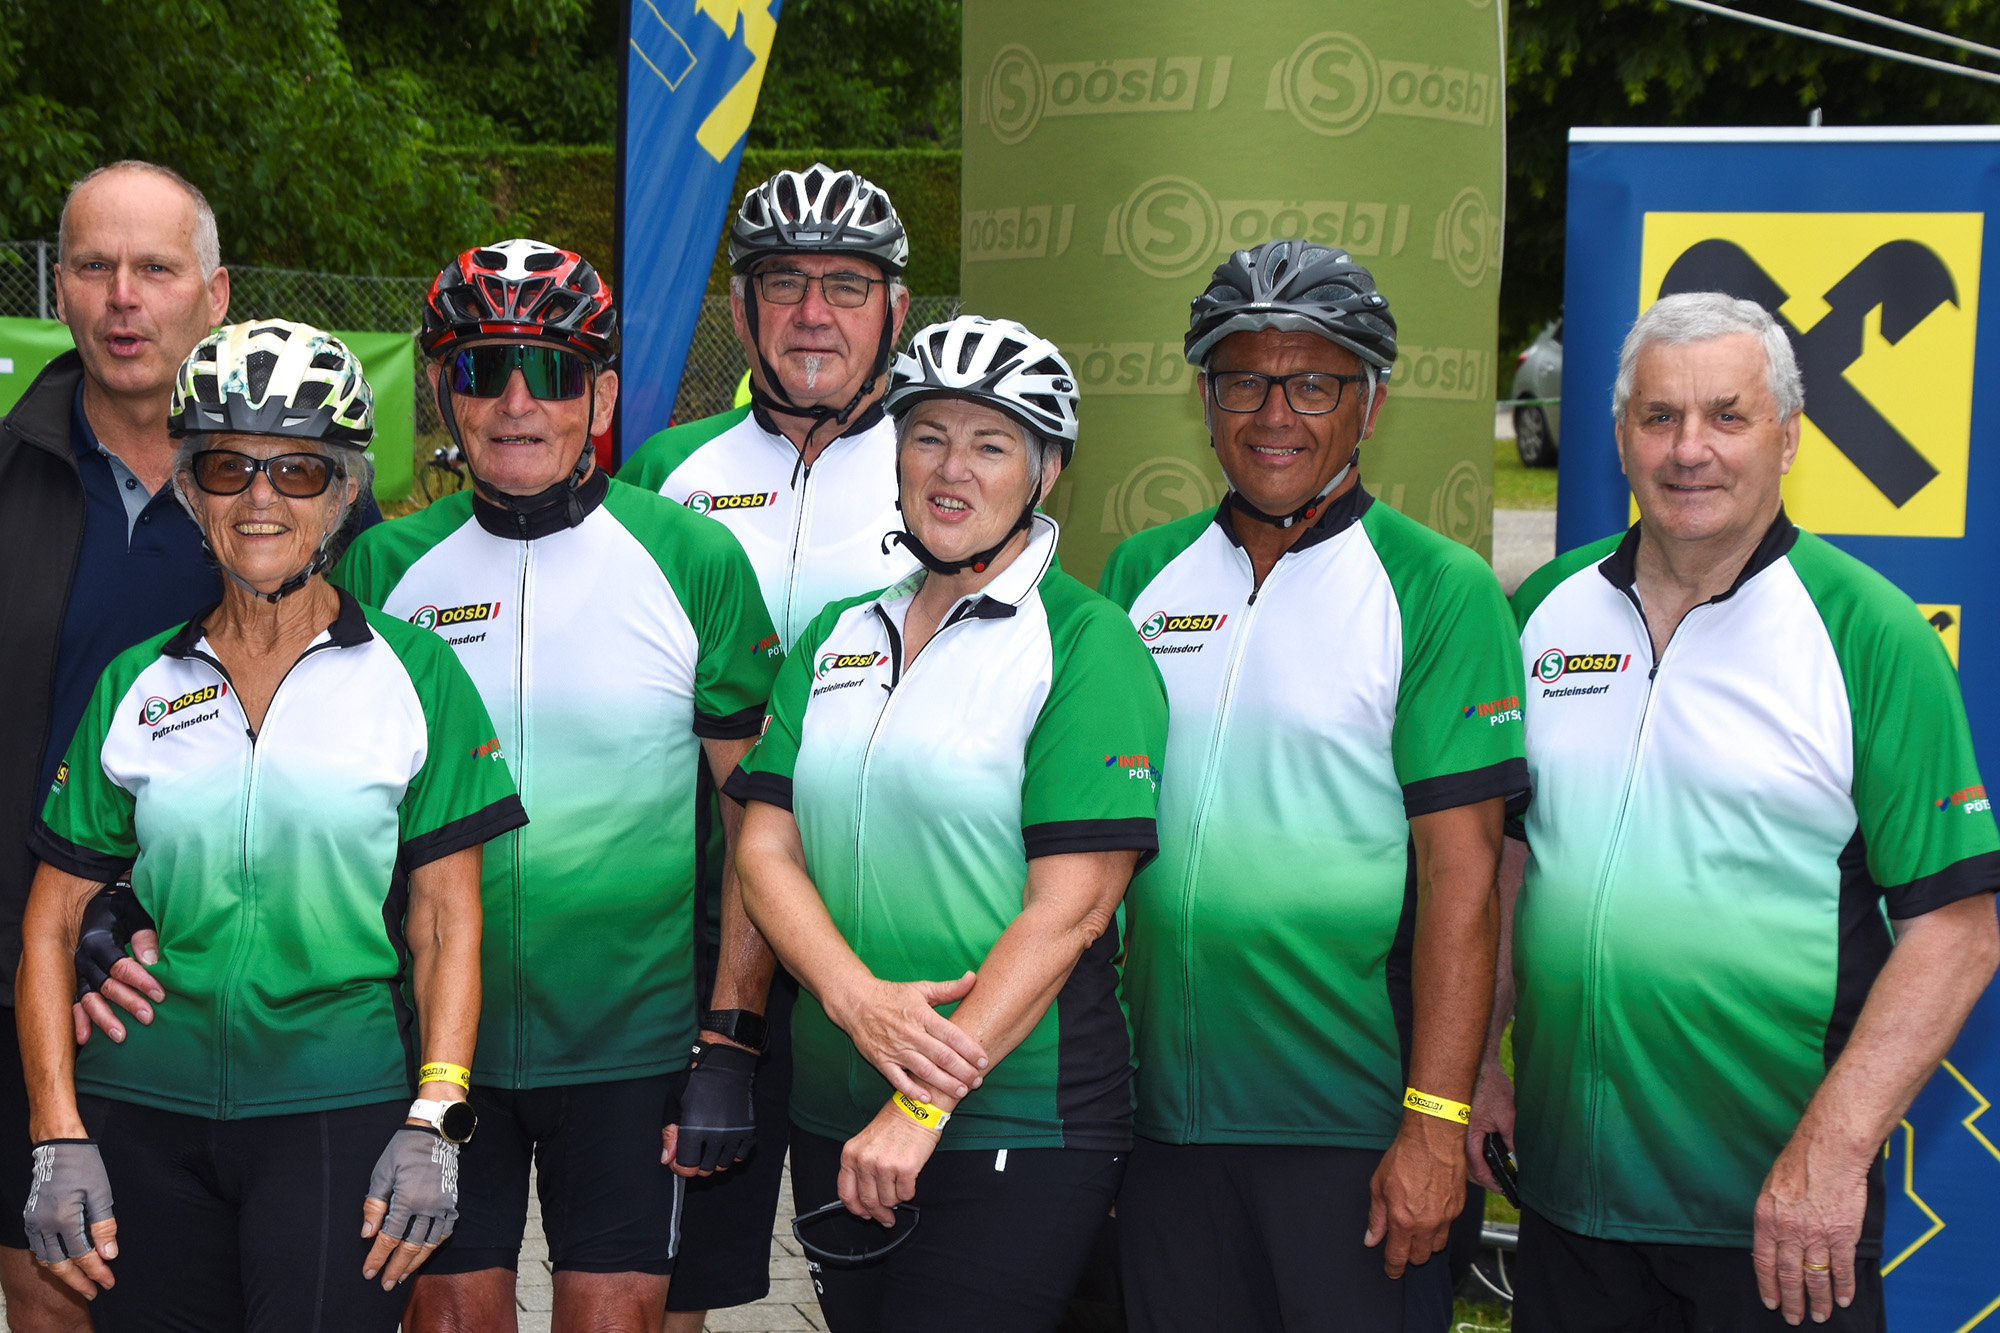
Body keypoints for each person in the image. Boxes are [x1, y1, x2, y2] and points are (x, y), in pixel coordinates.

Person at [1474, 291, 2000, 1331]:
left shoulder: (1868, 634)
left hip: (1773, 1219)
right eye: (1659, 416)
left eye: (1727, 415)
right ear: (1619, 436)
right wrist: (1474, 1061)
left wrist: (1830, 1154)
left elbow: (1957, 930)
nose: (1689, 449)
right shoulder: (1545, 610)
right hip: (1570, 1208)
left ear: (1787, 437)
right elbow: (1507, 863)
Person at [18, 321, 520, 1330]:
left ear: (342, 492)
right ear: (191, 490)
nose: (259, 498)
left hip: (332, 1107)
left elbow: (446, 923)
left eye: (297, 470)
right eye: (227, 467)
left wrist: (436, 1116)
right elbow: (51, 924)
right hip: (140, 1107)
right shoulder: (136, 680)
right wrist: (55, 1132)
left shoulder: (417, 675)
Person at [335, 239, 781, 1333]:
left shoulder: (694, 560)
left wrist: (731, 1038)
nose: (518, 402)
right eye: (484, 368)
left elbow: (757, 826)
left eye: (554, 371)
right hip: (439, 1043)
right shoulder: (384, 569)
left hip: (631, 1045)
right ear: (444, 389)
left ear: (605, 396)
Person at [1097, 239, 1529, 1332]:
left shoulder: (1437, 588)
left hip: (1352, 1122)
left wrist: (1434, 1121)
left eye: (1314, 384)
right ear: (1205, 400)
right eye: (1242, 380)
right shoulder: (1141, 575)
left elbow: (1465, 880)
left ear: (1369, 402)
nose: (1274, 413)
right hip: (1163, 1124)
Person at [0, 159, 381, 1333]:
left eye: (155, 269)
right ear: (59, 289)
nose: (124, 297)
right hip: (30, 967)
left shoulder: (316, 503)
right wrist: (65, 922)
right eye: (94, 266)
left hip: (249, 1004)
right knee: (55, 1290)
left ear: (214, 295)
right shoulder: (7, 475)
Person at [729, 315, 1167, 1332]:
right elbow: (764, 846)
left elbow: (1071, 911)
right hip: (835, 1108)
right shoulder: (841, 632)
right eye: (927, 436)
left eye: (991, 443)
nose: (950, 469)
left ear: (1045, 471)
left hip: (1015, 1117)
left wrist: (921, 1101)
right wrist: (856, 1001)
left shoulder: (1086, 643)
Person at [617, 163, 919, 1328]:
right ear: (739, 312)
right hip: (694, 936)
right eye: (782, 282)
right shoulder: (667, 473)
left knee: (889, 1284)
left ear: (894, 310)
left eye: (847, 285)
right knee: (665, 1281)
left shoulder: (943, 464)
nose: (812, 312)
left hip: (885, 924)